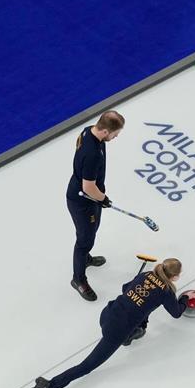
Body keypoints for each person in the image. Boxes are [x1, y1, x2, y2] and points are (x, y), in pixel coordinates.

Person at [26, 259, 190, 388]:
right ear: (174, 277)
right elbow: (176, 313)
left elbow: (125, 287)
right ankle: (49, 386)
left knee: (142, 312)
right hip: (117, 331)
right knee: (87, 366)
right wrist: (183, 299)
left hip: (107, 314)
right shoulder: (166, 292)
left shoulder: (146, 274)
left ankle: (132, 333)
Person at [66, 111, 125, 302]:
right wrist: (103, 199)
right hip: (84, 200)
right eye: (115, 134)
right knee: (85, 239)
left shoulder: (88, 131)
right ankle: (78, 279)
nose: (116, 137)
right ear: (106, 131)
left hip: (90, 198)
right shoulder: (92, 154)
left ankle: (85, 259)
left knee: (92, 231)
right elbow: (88, 186)